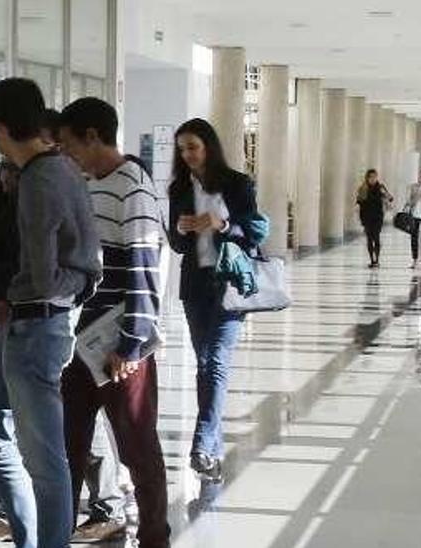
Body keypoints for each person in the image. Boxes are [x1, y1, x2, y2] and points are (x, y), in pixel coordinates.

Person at [0, 78, 102, 548]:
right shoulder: (59, 169)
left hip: (36, 327)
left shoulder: (40, 181)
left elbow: (45, 276)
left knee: (46, 464)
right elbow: (82, 263)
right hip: (32, 323)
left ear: (0, 127)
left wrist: (31, 291)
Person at [58, 97, 171, 548]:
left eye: (71, 145)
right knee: (68, 441)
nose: (68, 155)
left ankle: (154, 537)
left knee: (137, 445)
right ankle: (55, 531)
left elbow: (146, 268)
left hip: (120, 344)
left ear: (92, 137)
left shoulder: (133, 187)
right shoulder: (90, 183)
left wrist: (132, 343)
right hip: (83, 339)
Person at [165, 118, 263, 483]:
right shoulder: (179, 188)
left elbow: (253, 233)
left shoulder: (237, 184)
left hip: (229, 284)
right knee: (205, 363)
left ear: (208, 146)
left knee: (215, 363)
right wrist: (180, 229)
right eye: (182, 149)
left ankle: (202, 447)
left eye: (192, 146)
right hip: (195, 285)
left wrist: (220, 224)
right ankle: (213, 453)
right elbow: (176, 245)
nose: (187, 154)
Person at [356, 169, 394, 268]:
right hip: (366, 216)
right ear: (367, 178)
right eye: (370, 177)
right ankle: (372, 259)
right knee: (369, 238)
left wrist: (385, 195)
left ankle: (377, 259)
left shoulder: (380, 187)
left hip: (378, 216)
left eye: (374, 177)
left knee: (376, 236)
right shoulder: (363, 188)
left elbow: (390, 198)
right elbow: (359, 202)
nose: (373, 179)